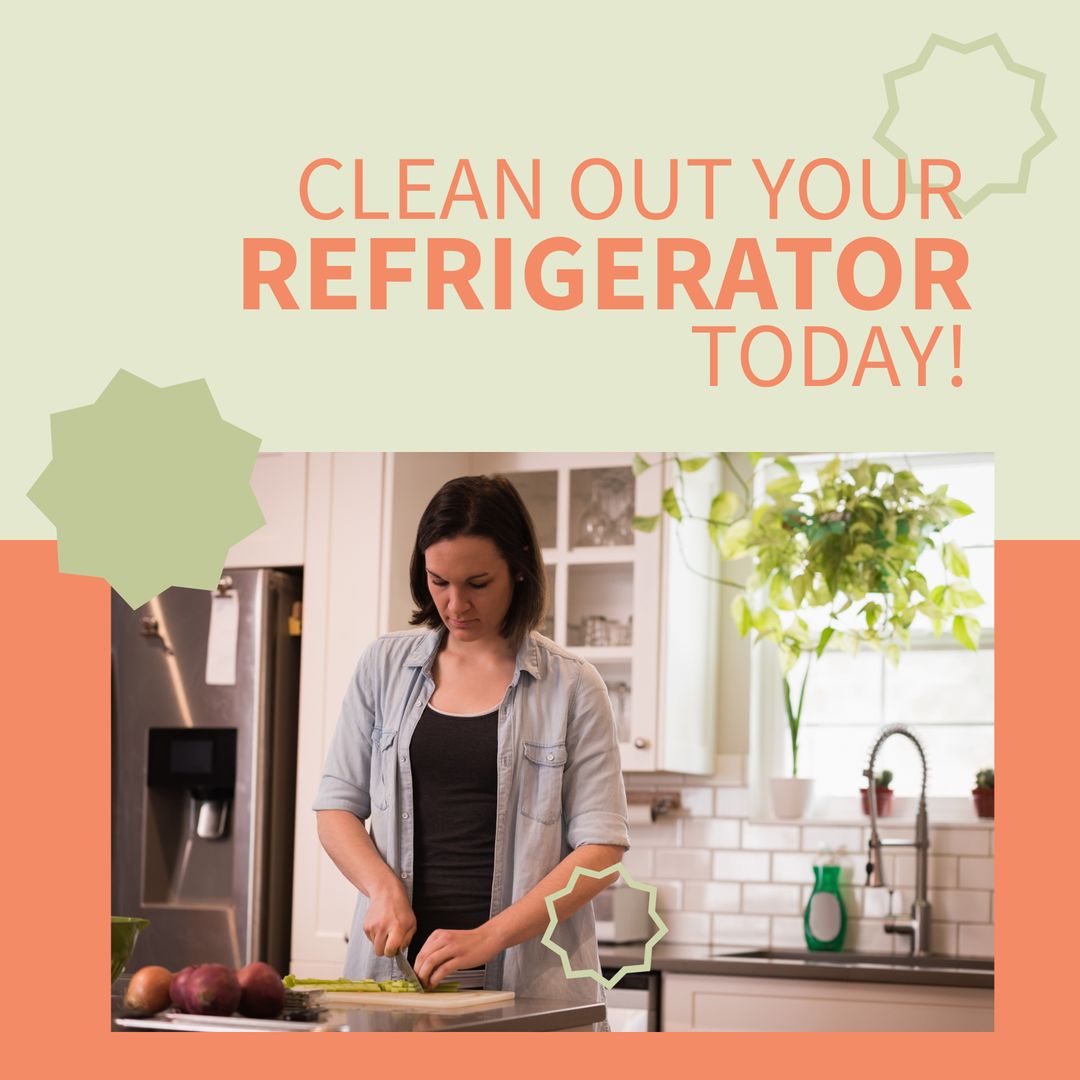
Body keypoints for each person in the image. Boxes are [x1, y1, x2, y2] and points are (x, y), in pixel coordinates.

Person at [313, 474, 630, 1003]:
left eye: (477, 583)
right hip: (393, 984)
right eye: (439, 581)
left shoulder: (573, 685)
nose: (455, 603)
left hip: (528, 989)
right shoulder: (383, 667)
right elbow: (336, 810)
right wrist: (381, 888)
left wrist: (491, 937)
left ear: (520, 568)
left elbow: (601, 852)